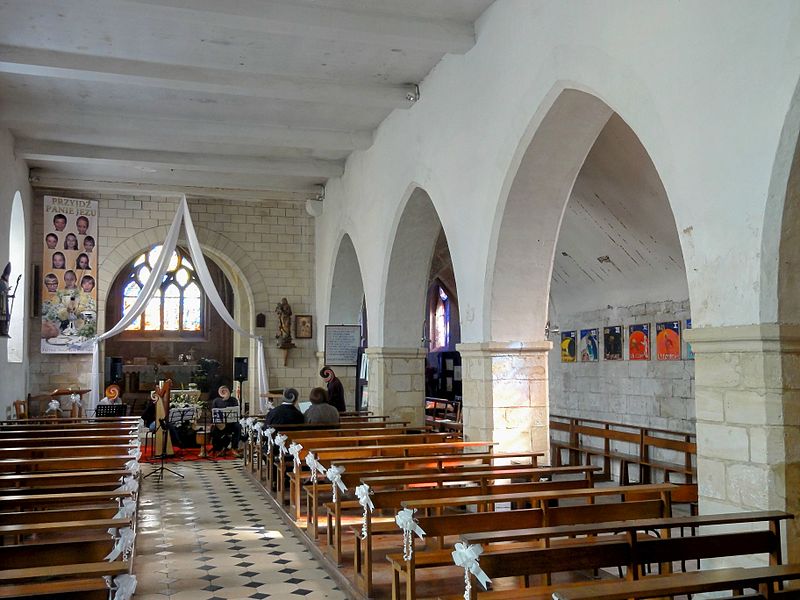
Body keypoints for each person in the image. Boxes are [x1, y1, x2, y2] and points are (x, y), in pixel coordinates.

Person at [210, 385, 242, 457]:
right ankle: (219, 449)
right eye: (222, 391)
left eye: (225, 390)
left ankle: (234, 448)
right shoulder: (216, 401)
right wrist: (212, 422)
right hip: (220, 423)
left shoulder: (233, 400)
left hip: (231, 423)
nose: (224, 392)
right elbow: (213, 414)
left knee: (238, 427)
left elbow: (236, 412)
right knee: (215, 430)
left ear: (228, 391)